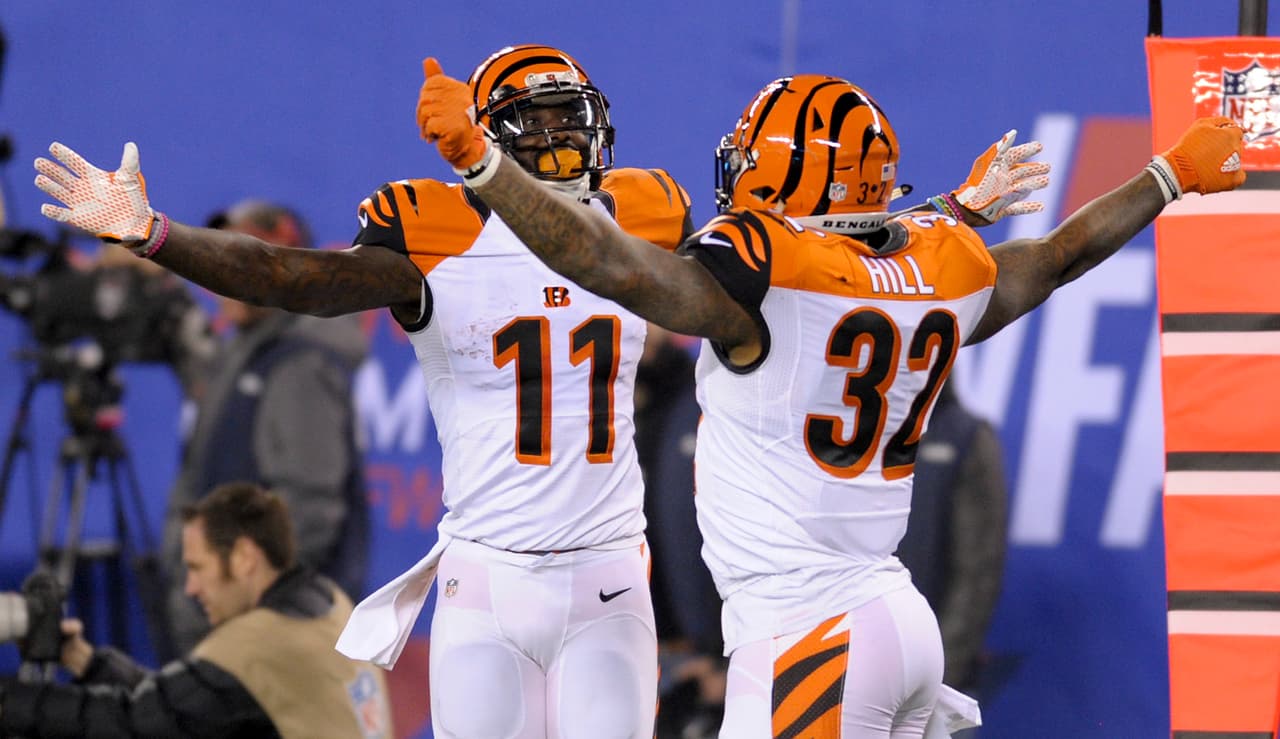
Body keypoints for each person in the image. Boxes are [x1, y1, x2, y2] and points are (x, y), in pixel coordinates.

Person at [410, 62, 1246, 737]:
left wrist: (486, 167)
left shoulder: (762, 274)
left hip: (810, 633)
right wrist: (1165, 176)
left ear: (780, 177)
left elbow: (610, 264)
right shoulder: (942, 260)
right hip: (893, 619)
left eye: (750, 160)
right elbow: (1056, 256)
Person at [34, 44, 694, 739]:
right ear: (491, 133)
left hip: (609, 573)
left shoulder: (643, 208)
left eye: (570, 117)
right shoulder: (439, 232)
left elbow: (729, 293)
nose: (562, 136)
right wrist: (153, 234)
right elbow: (289, 276)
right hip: (488, 576)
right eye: (539, 121)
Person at [0, 481, 393, 738]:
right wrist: (83, 660)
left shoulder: (258, 642)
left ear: (243, 557)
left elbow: (134, 724)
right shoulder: (331, 604)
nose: (190, 588)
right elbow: (191, 708)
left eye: (197, 568)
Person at [160, 199, 371, 657]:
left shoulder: (301, 366)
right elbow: (198, 477)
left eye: (241, 260)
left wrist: (245, 596)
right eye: (220, 260)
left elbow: (309, 508)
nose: (223, 275)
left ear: (284, 265)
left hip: (269, 632)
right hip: (231, 618)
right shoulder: (243, 353)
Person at [894, 381, 1007, 697]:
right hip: (856, 663)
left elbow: (979, 571)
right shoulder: (852, 435)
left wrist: (939, 676)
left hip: (927, 675)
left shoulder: (966, 438)